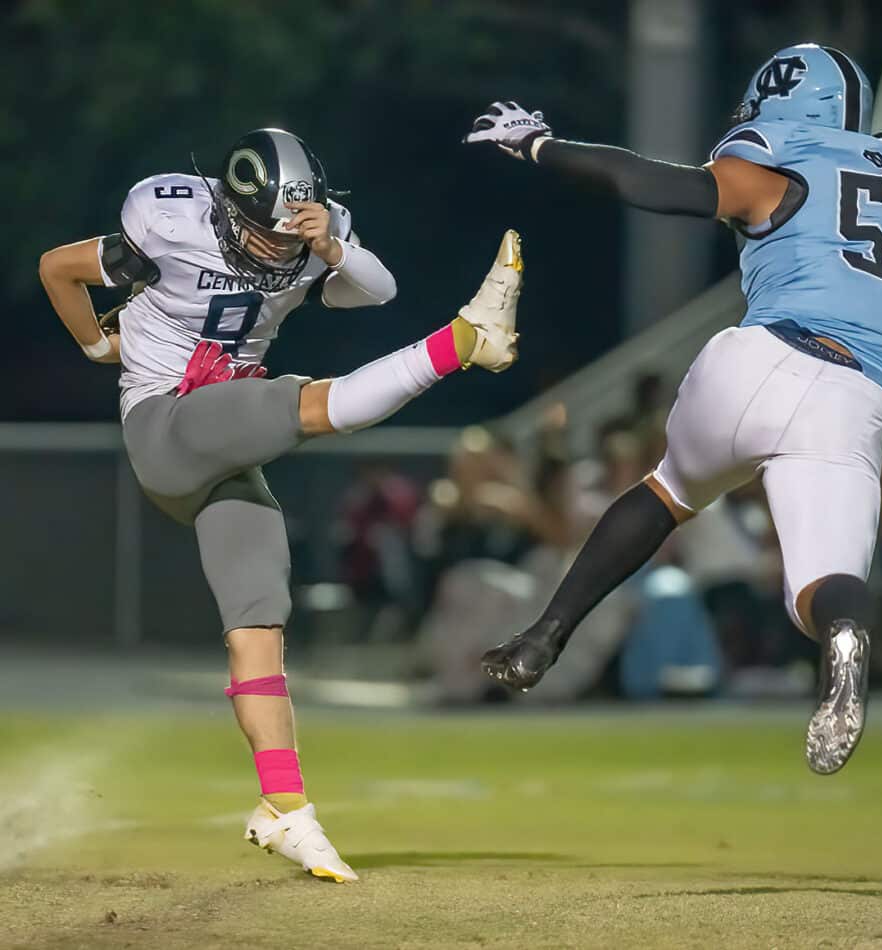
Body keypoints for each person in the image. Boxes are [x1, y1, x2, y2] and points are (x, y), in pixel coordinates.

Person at [465, 43, 882, 773]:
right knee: (824, 590)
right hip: (856, 402)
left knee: (668, 490)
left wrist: (539, 145)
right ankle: (845, 635)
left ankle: (546, 633)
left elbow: (657, 185)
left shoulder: (780, 156)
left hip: (762, 362)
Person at [38, 126, 523, 881]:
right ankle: (463, 340)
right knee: (297, 406)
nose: (274, 247)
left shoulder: (317, 235)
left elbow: (377, 289)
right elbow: (56, 269)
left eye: (289, 231)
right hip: (165, 423)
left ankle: (285, 808)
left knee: (259, 620)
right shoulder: (170, 219)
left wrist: (332, 249)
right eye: (260, 230)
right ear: (230, 211)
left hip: (221, 444)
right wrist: (98, 348)